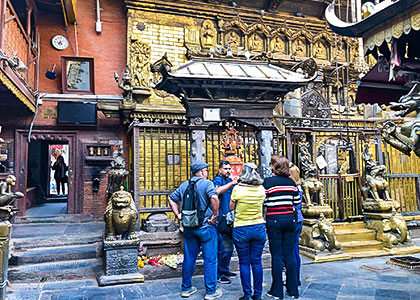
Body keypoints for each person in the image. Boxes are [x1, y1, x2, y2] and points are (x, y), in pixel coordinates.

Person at [168, 161, 223, 300]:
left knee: (189, 258)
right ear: (203, 171)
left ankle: (186, 289)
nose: (207, 173)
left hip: (189, 227)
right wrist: (215, 216)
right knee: (210, 259)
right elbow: (214, 197)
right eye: (206, 170)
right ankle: (211, 292)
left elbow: (171, 198)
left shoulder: (185, 184)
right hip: (205, 227)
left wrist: (178, 215)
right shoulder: (207, 183)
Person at [263, 156, 301, 299]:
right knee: (289, 254)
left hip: (274, 221)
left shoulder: (268, 182)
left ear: (275, 167)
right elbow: (296, 202)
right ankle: (293, 290)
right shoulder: (291, 182)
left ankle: (277, 290)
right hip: (290, 220)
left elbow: (264, 201)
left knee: (277, 255)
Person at [229, 163, 266, 300]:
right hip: (258, 227)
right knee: (256, 262)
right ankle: (258, 295)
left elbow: (231, 207)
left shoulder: (237, 189)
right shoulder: (261, 189)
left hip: (241, 228)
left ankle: (247, 294)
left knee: (244, 262)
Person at [213, 160, 238, 284]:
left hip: (230, 219)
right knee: (221, 247)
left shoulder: (230, 181)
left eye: (229, 169)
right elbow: (216, 191)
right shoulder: (218, 180)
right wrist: (232, 183)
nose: (228, 171)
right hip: (221, 219)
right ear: (220, 170)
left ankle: (225, 269)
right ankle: (219, 273)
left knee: (229, 247)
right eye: (225, 169)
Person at [289, 162, 304, 286]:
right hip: (298, 219)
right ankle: (295, 276)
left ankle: (294, 277)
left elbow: (296, 205)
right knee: (295, 249)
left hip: (294, 219)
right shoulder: (299, 187)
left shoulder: (295, 188)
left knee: (293, 250)